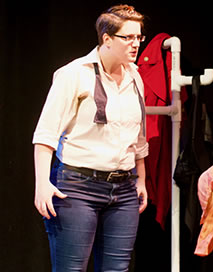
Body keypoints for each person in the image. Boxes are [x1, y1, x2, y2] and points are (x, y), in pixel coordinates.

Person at [32, 4, 148, 271]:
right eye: (127, 37)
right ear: (107, 39)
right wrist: (41, 183)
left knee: (117, 269)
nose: (135, 44)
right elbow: (46, 134)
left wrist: (141, 179)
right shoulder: (74, 74)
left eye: (138, 37)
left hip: (124, 189)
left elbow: (138, 137)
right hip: (78, 188)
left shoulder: (135, 77)